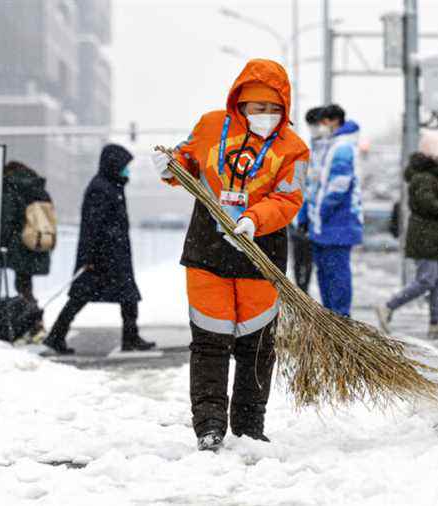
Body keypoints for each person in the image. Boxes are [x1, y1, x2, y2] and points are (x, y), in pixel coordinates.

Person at [152, 59, 308, 452]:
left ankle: (249, 425)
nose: (266, 116)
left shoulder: (294, 148)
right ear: (240, 104)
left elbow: (288, 198)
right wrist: (169, 167)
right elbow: (186, 163)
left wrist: (255, 219)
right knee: (209, 341)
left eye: (274, 110)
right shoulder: (210, 126)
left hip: (262, 254)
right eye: (258, 108)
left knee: (257, 346)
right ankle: (209, 424)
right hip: (208, 250)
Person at [43, 144, 156, 355]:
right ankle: (56, 336)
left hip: (113, 254)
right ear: (114, 165)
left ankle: (130, 337)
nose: (127, 170)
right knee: (82, 296)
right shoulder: (101, 188)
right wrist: (90, 257)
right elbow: (92, 226)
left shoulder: (111, 186)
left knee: (126, 296)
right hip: (103, 257)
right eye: (124, 165)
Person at [375, 131, 438, 338]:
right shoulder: (423, 178)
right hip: (426, 236)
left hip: (435, 235)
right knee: (426, 280)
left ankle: (436, 322)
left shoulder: (433, 176)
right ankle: (388, 306)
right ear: (432, 152)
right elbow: (428, 206)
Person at [306, 104, 363, 317]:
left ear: (333, 121)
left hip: (338, 224)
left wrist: (320, 214)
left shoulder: (342, 148)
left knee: (336, 275)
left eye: (323, 122)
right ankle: (332, 318)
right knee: (326, 274)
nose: (320, 127)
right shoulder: (329, 146)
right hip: (326, 226)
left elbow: (338, 187)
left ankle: (340, 319)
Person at [0, 160, 54, 341]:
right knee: (25, 284)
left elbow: (8, 216)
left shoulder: (12, 187)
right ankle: (32, 324)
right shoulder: (39, 188)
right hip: (38, 242)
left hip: (20, 244)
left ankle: (35, 323)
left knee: (22, 287)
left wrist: (3, 243)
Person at [290, 106, 326, 293]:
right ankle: (301, 290)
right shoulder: (307, 155)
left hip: (309, 219)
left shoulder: (324, 154)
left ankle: (303, 290)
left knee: (307, 260)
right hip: (299, 218)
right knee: (299, 260)